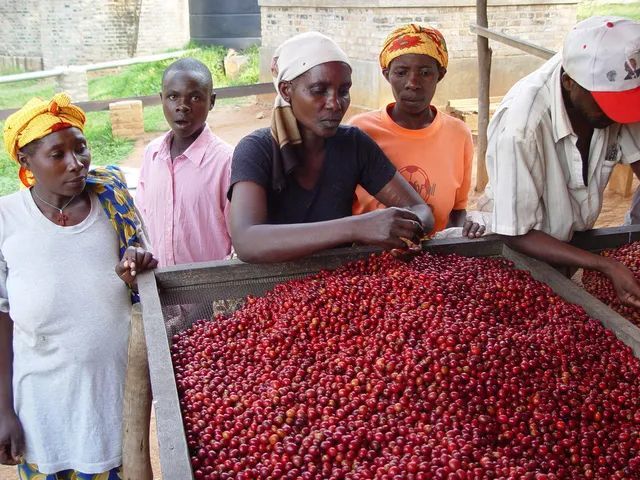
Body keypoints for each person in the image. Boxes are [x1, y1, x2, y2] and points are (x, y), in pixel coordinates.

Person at [0, 93, 157, 479]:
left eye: (81, 148)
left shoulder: (113, 203)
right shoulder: (7, 219)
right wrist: (2, 409)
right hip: (43, 412)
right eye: (57, 154)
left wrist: (138, 265)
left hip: (116, 405)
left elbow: (147, 272)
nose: (76, 164)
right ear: (26, 162)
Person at [228, 31, 435, 263]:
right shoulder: (257, 150)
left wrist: (402, 225)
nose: (335, 104)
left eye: (343, 91)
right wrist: (356, 228)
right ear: (287, 91)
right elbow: (247, 240)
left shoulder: (353, 144)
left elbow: (420, 209)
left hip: (336, 285)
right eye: (319, 90)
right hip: (270, 288)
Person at [484, 16, 640, 306]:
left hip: (571, 239)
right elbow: (515, 232)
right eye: (606, 104)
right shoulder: (522, 128)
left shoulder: (612, 78)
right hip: (521, 253)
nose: (617, 116)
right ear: (569, 84)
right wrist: (605, 264)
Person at [351, 24, 484, 238]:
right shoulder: (360, 131)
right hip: (370, 260)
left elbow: (457, 210)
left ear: (440, 75)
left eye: (425, 73)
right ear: (387, 75)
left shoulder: (458, 134)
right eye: (401, 72)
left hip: (433, 263)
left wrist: (464, 231)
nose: (413, 83)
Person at [136, 58, 233, 267]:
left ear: (212, 101)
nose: (183, 106)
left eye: (196, 97)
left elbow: (239, 242)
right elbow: (142, 223)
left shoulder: (226, 161)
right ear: (162, 99)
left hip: (211, 294)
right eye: (173, 97)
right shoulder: (151, 155)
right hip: (159, 292)